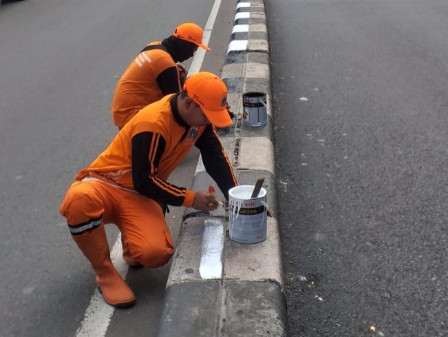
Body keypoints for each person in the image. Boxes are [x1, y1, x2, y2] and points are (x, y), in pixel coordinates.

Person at [59, 72, 237, 308]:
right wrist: (191, 198)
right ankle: (105, 273)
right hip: (107, 185)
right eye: (207, 115)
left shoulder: (197, 121)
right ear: (188, 103)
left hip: (139, 196)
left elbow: (215, 158)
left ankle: (131, 242)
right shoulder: (153, 123)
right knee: (79, 200)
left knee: (156, 253)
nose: (209, 121)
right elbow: (144, 180)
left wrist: (239, 200)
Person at [110, 22, 210, 130]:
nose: (191, 55)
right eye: (193, 49)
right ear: (184, 45)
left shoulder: (154, 46)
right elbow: (178, 107)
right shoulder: (166, 64)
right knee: (184, 117)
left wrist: (175, 72)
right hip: (131, 115)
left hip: (122, 111)